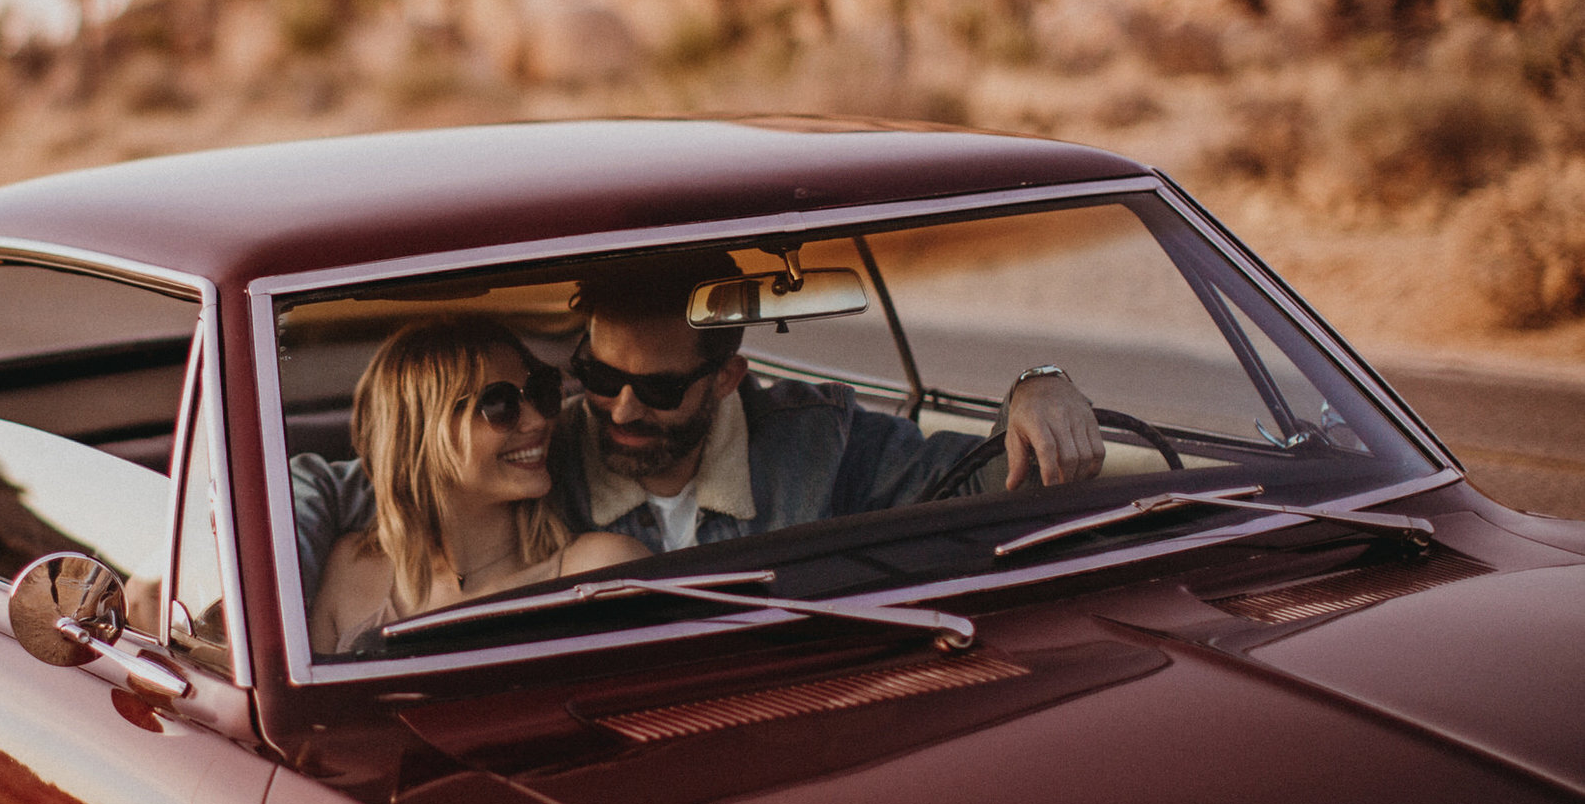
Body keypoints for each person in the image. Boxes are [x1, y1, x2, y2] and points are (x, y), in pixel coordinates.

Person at [290, 251, 1105, 603]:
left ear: (726, 379)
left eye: (658, 387)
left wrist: (1037, 385)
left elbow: (998, 477)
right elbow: (336, 484)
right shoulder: (540, 454)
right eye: (598, 377)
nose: (620, 409)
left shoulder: (820, 442)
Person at [309, 316, 649, 656]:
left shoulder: (605, 571)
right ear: (418, 434)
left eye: (541, 392)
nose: (538, 420)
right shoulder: (349, 570)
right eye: (499, 404)